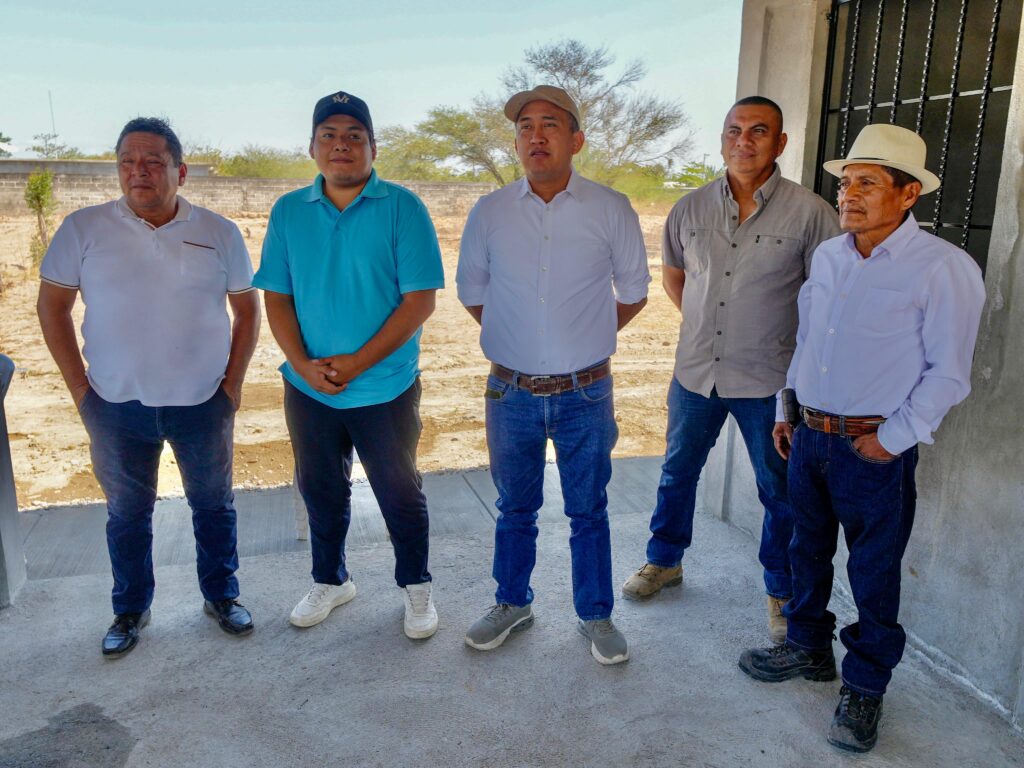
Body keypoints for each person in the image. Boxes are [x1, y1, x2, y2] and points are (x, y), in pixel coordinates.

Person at [738, 123, 985, 753]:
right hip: (809, 436)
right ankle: (808, 648)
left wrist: (893, 439)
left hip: (872, 449)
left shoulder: (943, 268)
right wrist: (787, 407)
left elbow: (949, 373)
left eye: (867, 183)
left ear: (908, 194)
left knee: (873, 571)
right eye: (846, 182)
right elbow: (809, 342)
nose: (848, 194)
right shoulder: (830, 257)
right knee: (805, 548)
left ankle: (865, 686)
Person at [37, 117, 261, 657]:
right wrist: (81, 392)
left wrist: (231, 386)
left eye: (153, 162)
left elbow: (247, 311)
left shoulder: (220, 232)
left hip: (202, 402)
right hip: (115, 404)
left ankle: (222, 595)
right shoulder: (83, 229)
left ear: (180, 172)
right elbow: (52, 308)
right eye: (128, 162)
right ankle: (130, 608)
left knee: (213, 505)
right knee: (127, 514)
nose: (139, 171)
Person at [622, 97, 840, 644]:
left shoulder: (811, 213)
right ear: (722, 139)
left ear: (780, 143)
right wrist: (708, 329)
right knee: (677, 473)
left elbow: (826, 299)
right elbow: (676, 277)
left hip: (771, 382)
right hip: (696, 373)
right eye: (734, 130)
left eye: (759, 131)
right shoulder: (689, 208)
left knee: (779, 490)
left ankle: (781, 590)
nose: (744, 141)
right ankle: (664, 560)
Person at [456, 85, 650, 665]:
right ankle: (512, 603)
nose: (535, 136)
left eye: (549, 125)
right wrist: (522, 340)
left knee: (588, 509)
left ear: (576, 140)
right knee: (515, 507)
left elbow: (634, 292)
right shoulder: (490, 211)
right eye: (525, 127)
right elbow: (473, 292)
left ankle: (595, 615)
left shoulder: (611, 208)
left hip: (585, 392)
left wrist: (582, 337)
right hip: (509, 390)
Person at [254, 91, 444, 640]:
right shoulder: (289, 211)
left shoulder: (403, 208)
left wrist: (358, 363)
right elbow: (277, 297)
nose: (342, 145)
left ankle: (416, 586)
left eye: (354, 136)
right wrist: (301, 365)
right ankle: (331, 580)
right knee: (320, 490)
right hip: (309, 387)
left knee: (399, 492)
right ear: (312, 147)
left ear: (372, 147)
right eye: (330, 136)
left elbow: (419, 301)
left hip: (384, 386)